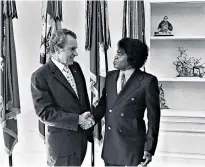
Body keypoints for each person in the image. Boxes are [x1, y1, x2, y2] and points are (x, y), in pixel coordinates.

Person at [84, 38, 161, 166]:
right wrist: (92, 118)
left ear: (132, 58)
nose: (115, 57)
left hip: (133, 146)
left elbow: (154, 118)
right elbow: (104, 104)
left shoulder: (148, 81)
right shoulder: (110, 76)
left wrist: (149, 148)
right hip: (111, 145)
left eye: (119, 54)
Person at [31, 28, 94, 166]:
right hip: (62, 148)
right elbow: (45, 113)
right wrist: (78, 120)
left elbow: (83, 99)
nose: (76, 53)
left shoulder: (75, 67)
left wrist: (88, 121)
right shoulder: (40, 76)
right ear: (57, 49)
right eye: (72, 49)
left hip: (81, 142)